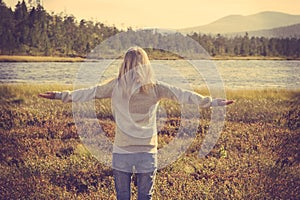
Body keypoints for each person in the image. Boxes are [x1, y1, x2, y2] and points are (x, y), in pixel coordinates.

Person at [39, 46, 233, 200]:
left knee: (122, 198)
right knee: (145, 197)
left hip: (122, 151)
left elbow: (88, 92)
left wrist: (59, 95)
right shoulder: (155, 88)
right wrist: (213, 102)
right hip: (147, 152)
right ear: (146, 65)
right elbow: (185, 95)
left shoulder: (115, 86)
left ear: (124, 64)